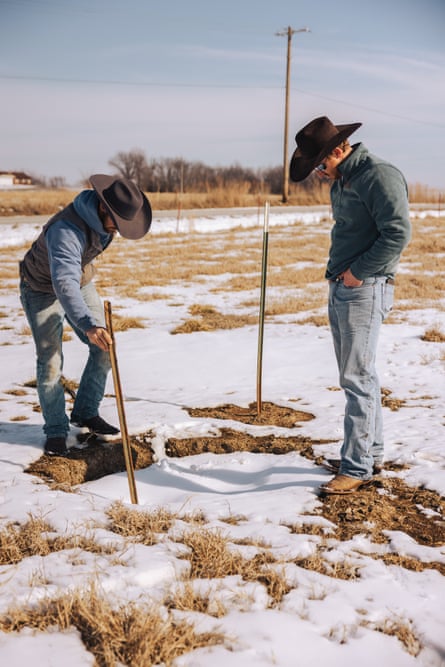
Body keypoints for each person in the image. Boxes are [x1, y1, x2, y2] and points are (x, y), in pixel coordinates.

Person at [289, 116, 411, 494]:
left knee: (356, 378)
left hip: (365, 287)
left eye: (322, 165)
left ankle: (355, 469)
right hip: (344, 286)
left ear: (339, 150)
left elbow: (398, 232)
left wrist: (358, 273)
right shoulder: (344, 180)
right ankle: (369, 455)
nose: (321, 174)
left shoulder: (378, 175)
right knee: (360, 376)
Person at [19, 174, 152, 456]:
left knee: (104, 346)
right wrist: (88, 324)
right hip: (41, 289)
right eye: (118, 224)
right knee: (51, 361)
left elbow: (74, 276)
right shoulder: (66, 231)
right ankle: (55, 430)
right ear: (104, 208)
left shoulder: (104, 222)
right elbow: (63, 283)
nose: (118, 231)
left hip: (80, 281)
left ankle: (85, 413)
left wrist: (95, 329)